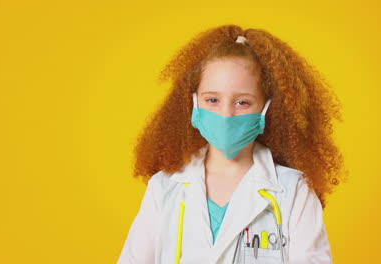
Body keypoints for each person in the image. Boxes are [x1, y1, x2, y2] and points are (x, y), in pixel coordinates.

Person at [117, 24, 347, 264]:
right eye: (212, 99)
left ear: (268, 109)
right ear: (193, 103)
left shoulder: (294, 192)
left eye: (243, 103)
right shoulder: (163, 189)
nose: (226, 114)